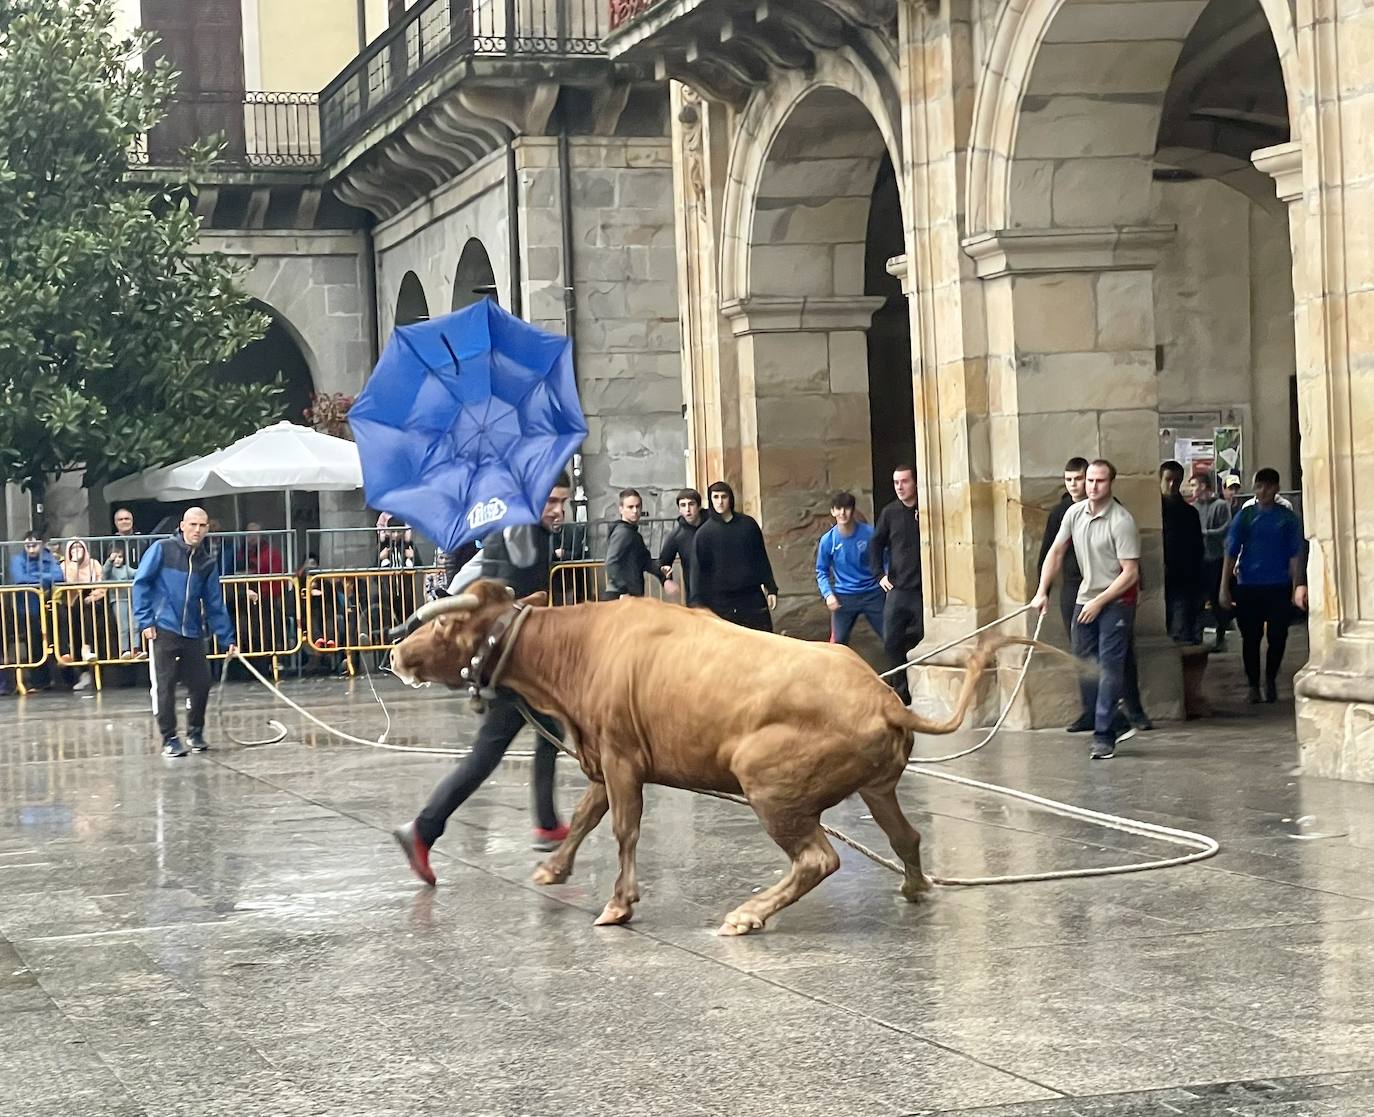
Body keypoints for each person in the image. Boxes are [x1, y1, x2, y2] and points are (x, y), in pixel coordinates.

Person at [392, 473, 575, 887]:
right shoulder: (518, 530)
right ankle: (422, 829)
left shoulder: (528, 532)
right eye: (551, 501)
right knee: (487, 754)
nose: (558, 510)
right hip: (505, 665)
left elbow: (488, 586)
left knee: (549, 730)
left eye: (563, 502)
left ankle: (546, 823)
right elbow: (491, 590)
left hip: (519, 662)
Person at [1032, 459, 1142, 760]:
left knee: (1109, 666)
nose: (1093, 486)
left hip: (1116, 602)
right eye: (1090, 480)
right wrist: (1042, 592)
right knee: (1085, 664)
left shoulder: (1121, 521)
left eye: (1100, 481)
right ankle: (1115, 720)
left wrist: (1099, 602)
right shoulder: (1073, 513)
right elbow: (1056, 552)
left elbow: (1130, 573)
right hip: (1086, 597)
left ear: (1110, 483)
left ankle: (1103, 735)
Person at [132, 507, 237, 757]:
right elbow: (141, 583)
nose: (197, 530)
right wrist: (145, 621)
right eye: (193, 525)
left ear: (207, 529)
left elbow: (214, 602)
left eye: (202, 526)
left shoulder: (206, 562)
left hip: (192, 629)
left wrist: (227, 638)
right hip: (163, 627)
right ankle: (169, 737)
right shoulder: (162, 549)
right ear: (182, 526)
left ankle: (195, 731)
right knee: (165, 685)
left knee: (201, 683)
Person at [1219, 468, 1306, 704]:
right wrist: (1224, 587)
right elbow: (1231, 552)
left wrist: (1296, 586)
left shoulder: (1287, 518)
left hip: (1278, 584)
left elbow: (1295, 555)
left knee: (1278, 636)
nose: (1263, 491)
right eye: (1259, 486)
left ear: (1276, 489)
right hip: (1249, 585)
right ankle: (1253, 684)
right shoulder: (1246, 516)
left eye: (1268, 486)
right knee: (1250, 637)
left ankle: (1270, 678)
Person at [687, 481, 778, 631]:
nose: (720, 501)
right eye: (715, 497)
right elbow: (697, 571)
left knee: (760, 639)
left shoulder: (748, 526)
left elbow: (760, 558)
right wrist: (697, 603)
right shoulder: (704, 534)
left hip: (751, 597)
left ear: (731, 498)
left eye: (724, 496)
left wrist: (771, 588)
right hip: (720, 601)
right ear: (710, 500)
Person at [869, 465, 924, 701]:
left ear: (916, 483)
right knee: (891, 641)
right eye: (896, 482)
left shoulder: (927, 508)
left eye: (904, 482)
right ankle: (901, 693)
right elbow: (875, 544)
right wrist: (879, 575)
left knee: (925, 639)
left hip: (924, 590)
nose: (900, 487)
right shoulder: (890, 512)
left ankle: (924, 689)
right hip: (898, 588)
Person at [815, 491, 885, 647]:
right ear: (832, 511)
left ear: (853, 510)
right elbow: (821, 571)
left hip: (873, 593)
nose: (842, 513)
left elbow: (885, 557)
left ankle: (899, 664)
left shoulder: (869, 533)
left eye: (846, 508)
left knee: (890, 637)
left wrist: (885, 577)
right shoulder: (828, 540)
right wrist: (828, 595)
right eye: (838, 509)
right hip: (844, 596)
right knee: (838, 644)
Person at [2, 531, 64, 694]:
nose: (31, 549)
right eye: (28, 545)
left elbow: (59, 576)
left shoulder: (49, 558)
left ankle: (63, 677)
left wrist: (34, 578)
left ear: (41, 545)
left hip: (49, 607)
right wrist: (43, 579)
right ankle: (39, 681)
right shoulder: (17, 560)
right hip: (26, 608)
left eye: (34, 545)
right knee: (34, 641)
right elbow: (19, 579)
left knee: (58, 638)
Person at [1160, 461, 1204, 645]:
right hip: (1160, 577)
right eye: (1168, 480)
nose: (1172, 485)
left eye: (1176, 481)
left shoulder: (1189, 513)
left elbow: (1197, 548)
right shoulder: (1154, 512)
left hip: (1184, 578)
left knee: (1181, 631)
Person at [1191, 472, 1233, 651]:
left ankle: (1221, 636)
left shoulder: (1220, 505)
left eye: (1194, 485)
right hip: (1199, 560)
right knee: (1198, 600)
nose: (1192, 489)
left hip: (1216, 558)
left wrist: (1205, 533)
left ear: (1203, 486)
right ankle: (1197, 637)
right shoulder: (1193, 508)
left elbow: (1226, 528)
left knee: (1217, 600)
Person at [58, 539, 106, 690]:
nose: (76, 550)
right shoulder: (64, 566)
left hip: (91, 602)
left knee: (88, 612)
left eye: (79, 547)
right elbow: (70, 583)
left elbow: (102, 585)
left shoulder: (94, 564)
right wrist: (73, 564)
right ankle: (78, 663)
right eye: (73, 548)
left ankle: (87, 648)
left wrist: (94, 596)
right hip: (71, 604)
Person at [604, 488, 662, 599]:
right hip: (621, 595)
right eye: (630, 507)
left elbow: (645, 561)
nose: (635, 511)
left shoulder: (631, 533)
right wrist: (622, 590)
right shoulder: (623, 533)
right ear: (621, 509)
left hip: (628, 593)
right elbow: (612, 562)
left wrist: (661, 571)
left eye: (638, 506)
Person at [658, 488, 707, 601]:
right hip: (695, 594)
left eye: (691, 504)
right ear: (679, 509)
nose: (688, 509)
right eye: (683, 505)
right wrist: (667, 580)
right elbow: (663, 562)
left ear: (699, 506)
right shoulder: (676, 535)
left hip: (722, 591)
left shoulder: (712, 526)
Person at [102, 545, 138, 660]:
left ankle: (136, 648)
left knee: (135, 624)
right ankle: (124, 649)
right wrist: (110, 561)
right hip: (118, 600)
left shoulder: (126, 568)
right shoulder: (110, 570)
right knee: (123, 626)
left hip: (130, 599)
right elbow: (104, 573)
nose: (118, 560)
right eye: (115, 557)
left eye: (120, 557)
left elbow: (136, 573)